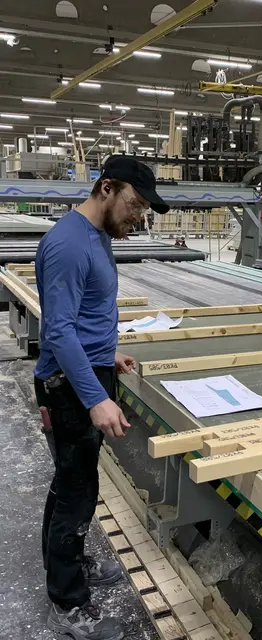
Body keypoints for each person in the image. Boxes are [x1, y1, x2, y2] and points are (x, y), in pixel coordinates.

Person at [34, 156, 170, 640]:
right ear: (106, 188)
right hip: (68, 386)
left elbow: (84, 314)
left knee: (71, 484)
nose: (138, 215)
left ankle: (66, 564)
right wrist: (94, 398)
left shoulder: (97, 236)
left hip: (86, 370)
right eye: (135, 204)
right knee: (77, 494)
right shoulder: (69, 244)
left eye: (144, 208)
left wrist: (106, 353)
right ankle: (67, 603)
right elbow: (58, 330)